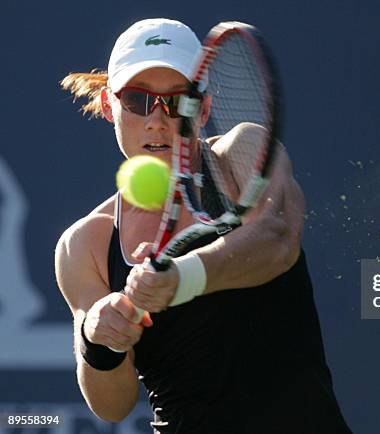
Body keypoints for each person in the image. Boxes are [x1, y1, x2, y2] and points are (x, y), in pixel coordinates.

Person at [55, 18, 351, 433]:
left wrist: (184, 277)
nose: (157, 120)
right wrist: (99, 337)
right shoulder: (85, 243)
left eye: (176, 101)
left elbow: (277, 239)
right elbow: (112, 406)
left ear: (204, 109)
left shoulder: (242, 153)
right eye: (138, 100)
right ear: (108, 105)